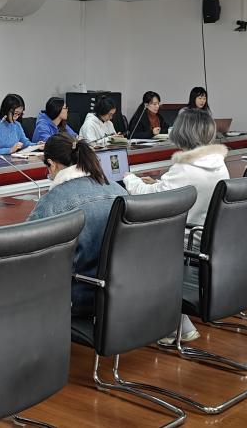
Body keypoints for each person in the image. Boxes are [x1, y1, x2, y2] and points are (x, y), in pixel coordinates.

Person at [123, 108, 229, 345]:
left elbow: (150, 197)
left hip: (186, 239)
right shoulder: (218, 164)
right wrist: (161, 183)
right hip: (206, 237)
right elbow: (179, 189)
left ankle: (168, 323)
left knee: (129, 243)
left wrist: (128, 177)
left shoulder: (185, 168)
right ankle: (179, 323)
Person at [28, 133, 126, 316]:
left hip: (75, 300)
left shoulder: (52, 203)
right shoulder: (118, 190)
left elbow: (26, 253)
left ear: (52, 164)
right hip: (120, 294)